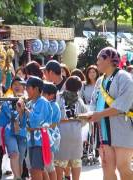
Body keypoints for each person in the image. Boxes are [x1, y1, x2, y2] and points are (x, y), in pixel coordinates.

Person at [88, 47, 133, 180]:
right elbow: (93, 102)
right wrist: (90, 114)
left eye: (99, 59)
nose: (97, 63)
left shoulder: (124, 78)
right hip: (103, 129)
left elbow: (122, 105)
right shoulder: (99, 81)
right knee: (106, 167)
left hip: (122, 128)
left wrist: (99, 114)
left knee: (122, 166)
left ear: (108, 59)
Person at [54, 76, 87, 180]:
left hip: (61, 134)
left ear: (66, 85)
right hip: (76, 135)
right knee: (76, 161)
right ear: (78, 88)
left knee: (59, 165)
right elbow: (85, 117)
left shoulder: (58, 97)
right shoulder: (79, 100)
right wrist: (77, 124)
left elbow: (54, 114)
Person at [0, 77, 28, 179]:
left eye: (19, 84)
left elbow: (30, 119)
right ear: (11, 87)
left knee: (21, 158)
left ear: (24, 87)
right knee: (14, 154)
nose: (17, 86)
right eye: (14, 84)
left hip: (23, 131)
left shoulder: (28, 100)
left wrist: (23, 110)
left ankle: (17, 177)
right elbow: (1, 122)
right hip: (10, 131)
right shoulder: (6, 101)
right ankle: (18, 177)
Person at [23, 76, 53, 180]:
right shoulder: (30, 103)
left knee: (36, 170)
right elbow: (24, 122)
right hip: (32, 141)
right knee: (37, 169)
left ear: (36, 89)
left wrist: (25, 110)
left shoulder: (43, 102)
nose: (25, 90)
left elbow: (37, 122)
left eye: (28, 87)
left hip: (39, 141)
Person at [42, 82, 61, 180]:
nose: (41, 95)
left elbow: (53, 124)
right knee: (44, 165)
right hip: (45, 137)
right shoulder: (46, 104)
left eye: (43, 93)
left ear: (51, 95)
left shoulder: (54, 106)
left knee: (48, 165)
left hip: (50, 138)